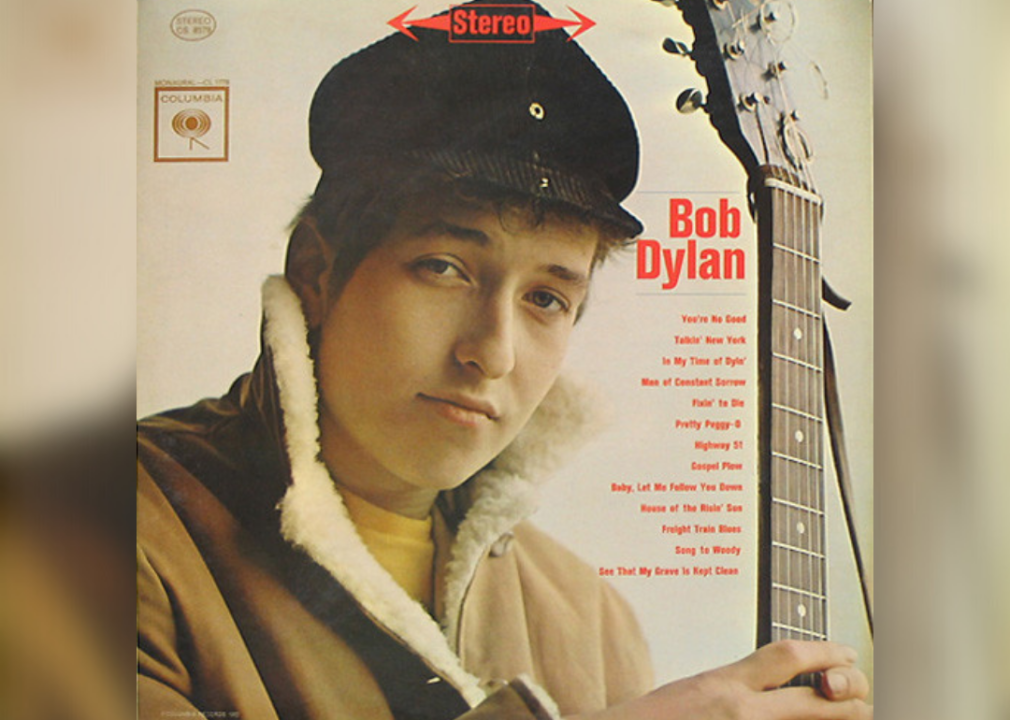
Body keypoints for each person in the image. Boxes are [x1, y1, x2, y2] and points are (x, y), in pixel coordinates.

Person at [137, 2, 872, 718]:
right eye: (444, 267)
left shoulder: (592, 620)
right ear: (317, 272)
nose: (490, 353)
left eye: (547, 299)